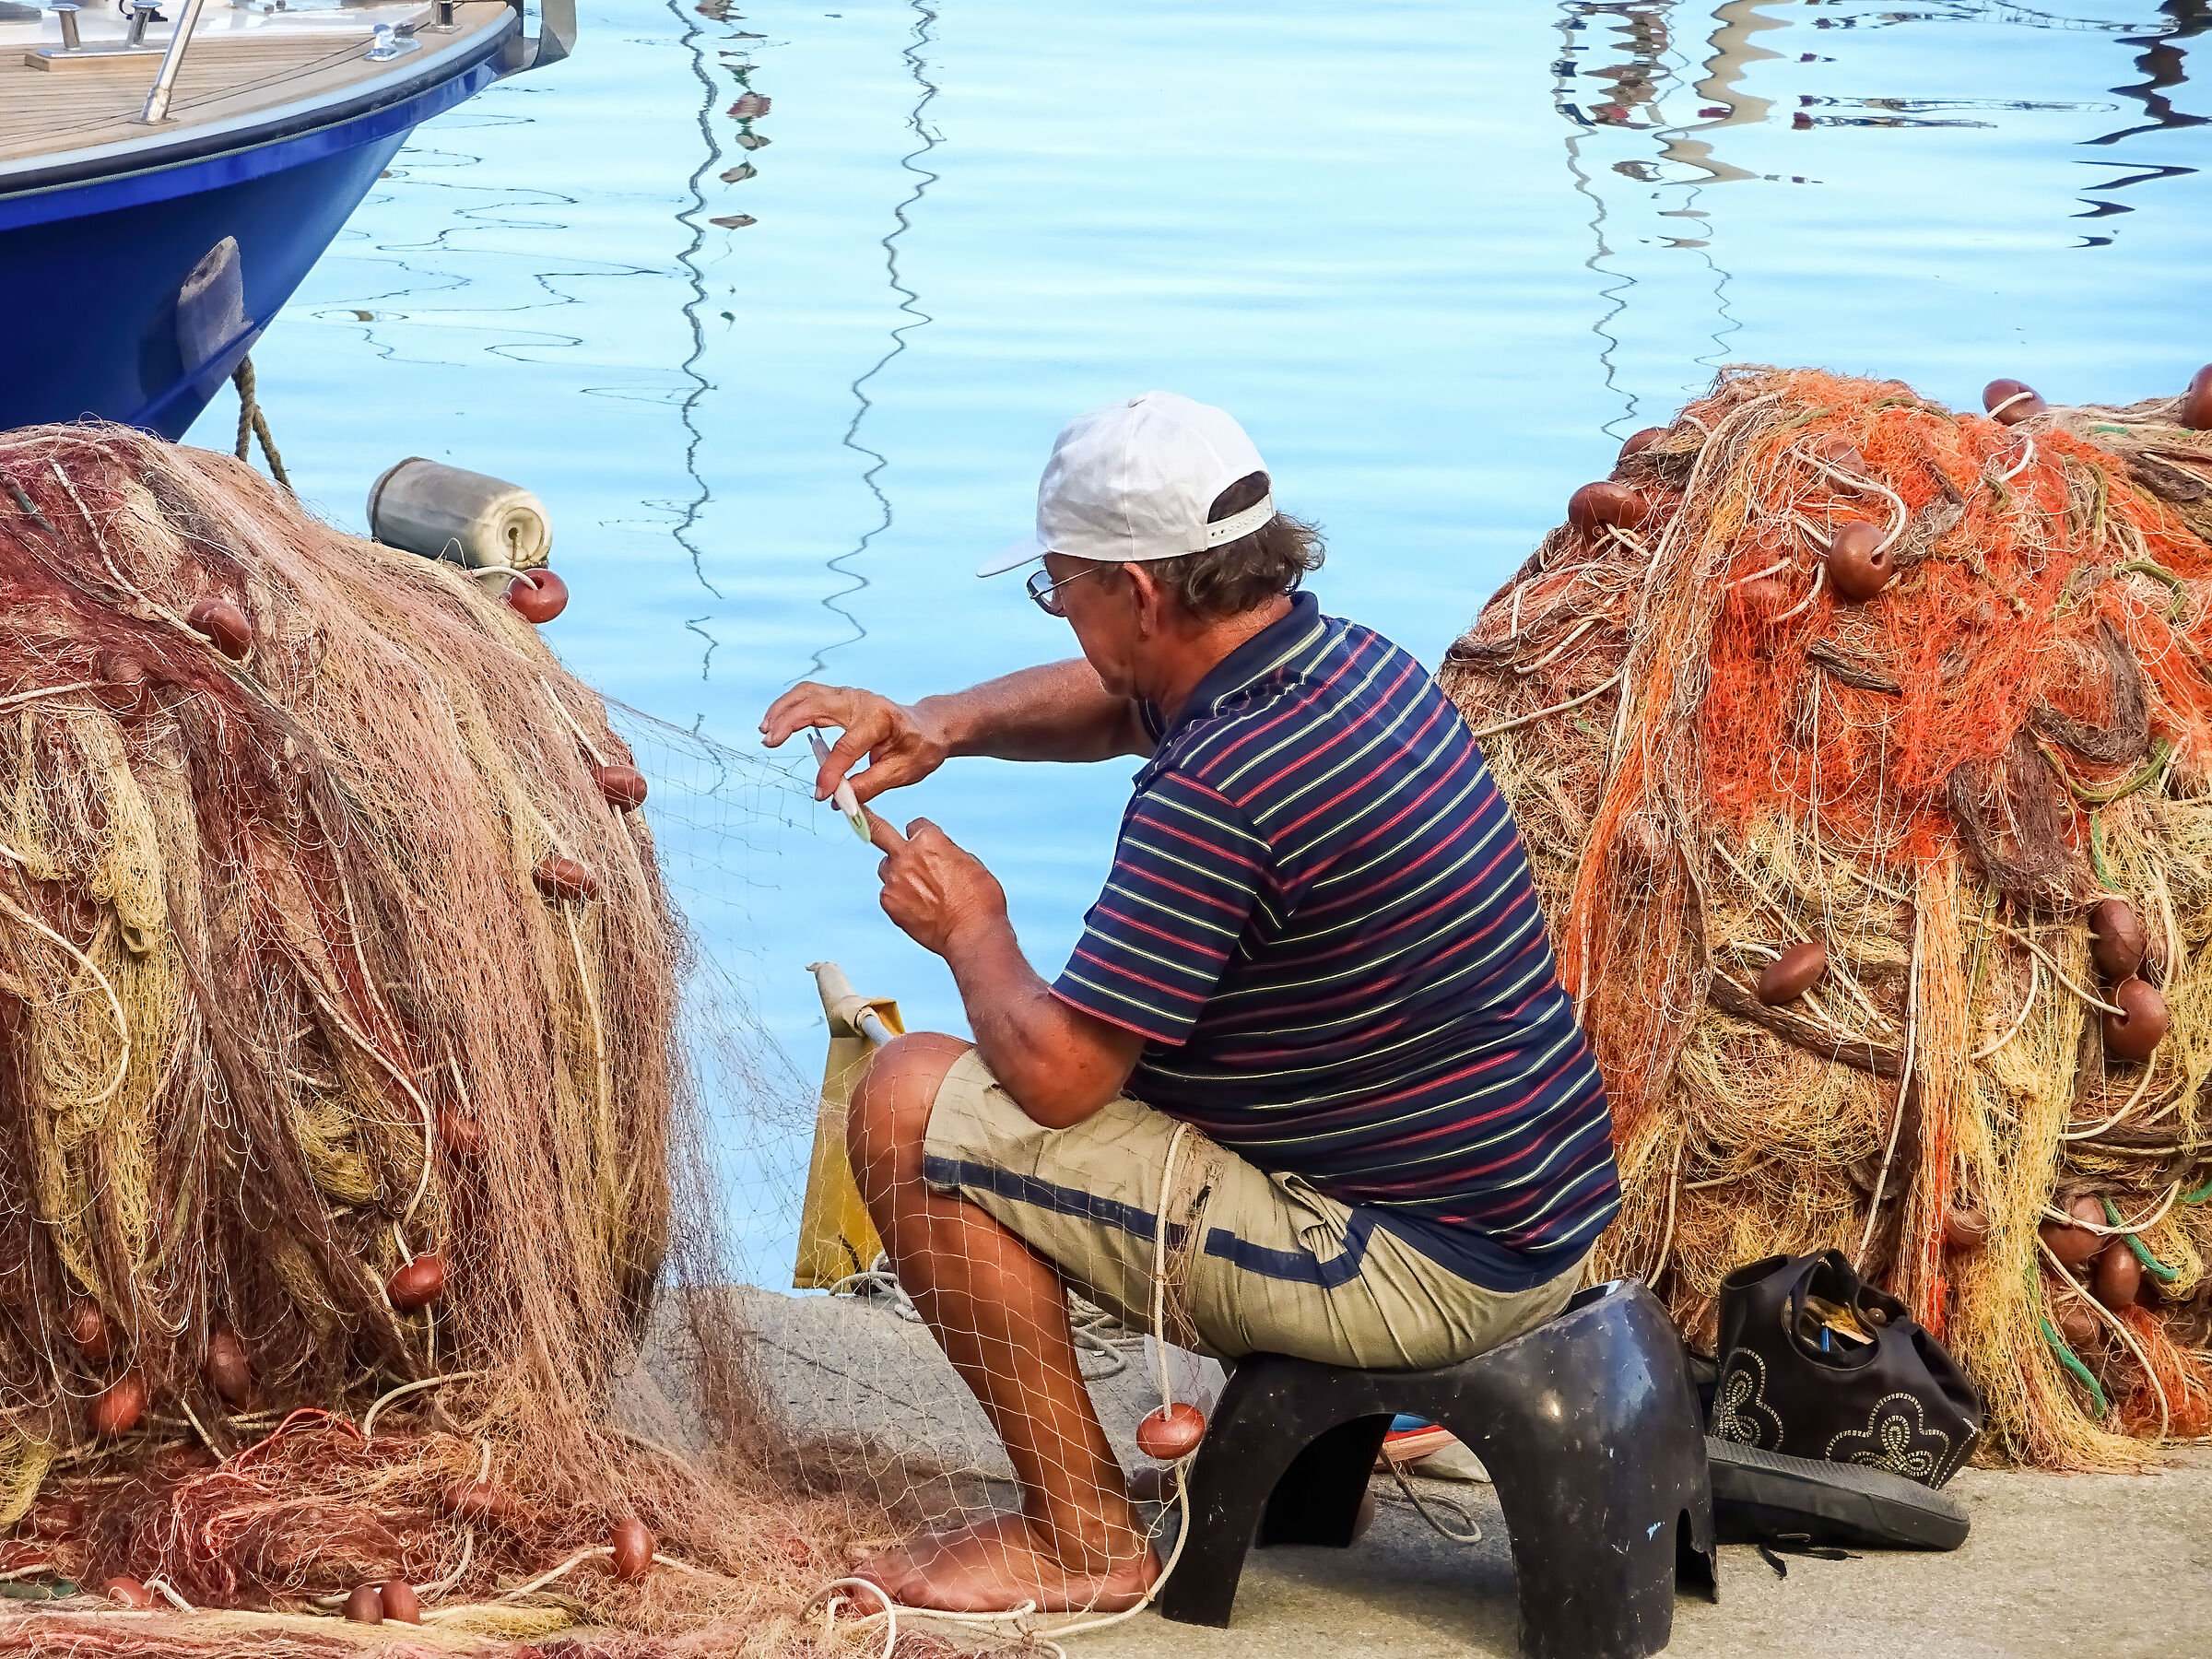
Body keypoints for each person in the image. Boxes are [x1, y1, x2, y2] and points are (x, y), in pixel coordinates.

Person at [759, 392, 1620, 1616]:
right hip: (1533, 1211)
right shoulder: (1348, 665)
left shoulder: (1219, 790)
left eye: (1061, 588)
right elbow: (1127, 700)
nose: (1061, 611)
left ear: (1139, 593)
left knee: (906, 1102)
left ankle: (1079, 1537)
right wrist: (941, 722)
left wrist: (973, 928)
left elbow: (1060, 1081)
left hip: (1418, 1264)